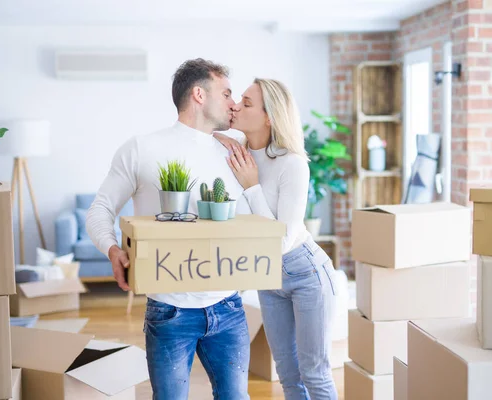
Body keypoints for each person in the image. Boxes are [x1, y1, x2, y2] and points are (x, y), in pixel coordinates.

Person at [86, 58, 251, 400]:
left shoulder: (233, 151)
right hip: (170, 310)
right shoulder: (141, 148)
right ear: (199, 95)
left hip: (229, 307)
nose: (233, 103)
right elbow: (100, 209)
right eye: (226, 93)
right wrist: (113, 249)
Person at [215, 78, 338, 400]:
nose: (236, 106)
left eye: (247, 102)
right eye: (238, 99)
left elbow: (281, 240)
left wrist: (252, 186)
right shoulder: (237, 153)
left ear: (270, 117)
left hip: (306, 274)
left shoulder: (292, 163)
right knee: (287, 372)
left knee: (314, 370)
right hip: (267, 277)